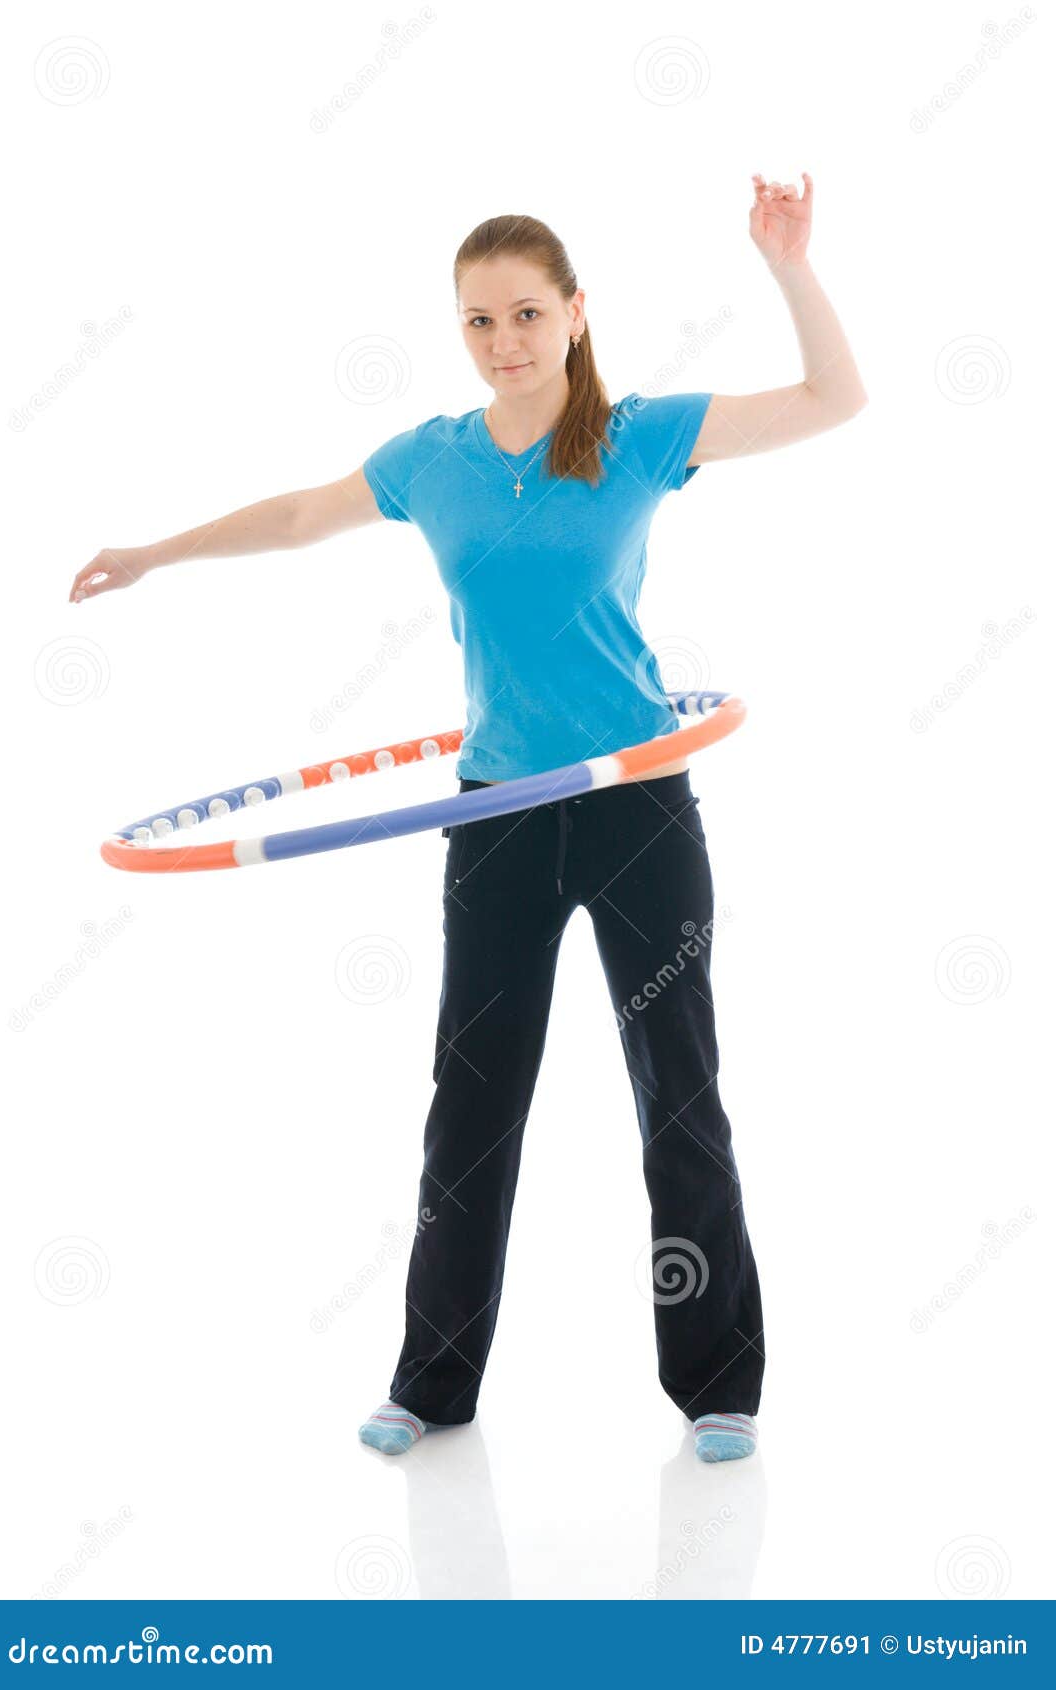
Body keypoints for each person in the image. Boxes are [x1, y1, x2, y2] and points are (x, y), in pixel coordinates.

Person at [69, 175, 867, 1465]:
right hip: (496, 812)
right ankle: (433, 1385)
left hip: (639, 806)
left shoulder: (642, 434)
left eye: (528, 314)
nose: (506, 342)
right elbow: (292, 518)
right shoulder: (430, 461)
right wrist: (153, 553)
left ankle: (719, 1382)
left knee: (678, 1088)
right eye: (480, 321)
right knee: (473, 1096)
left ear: (575, 315)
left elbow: (835, 401)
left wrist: (790, 265)